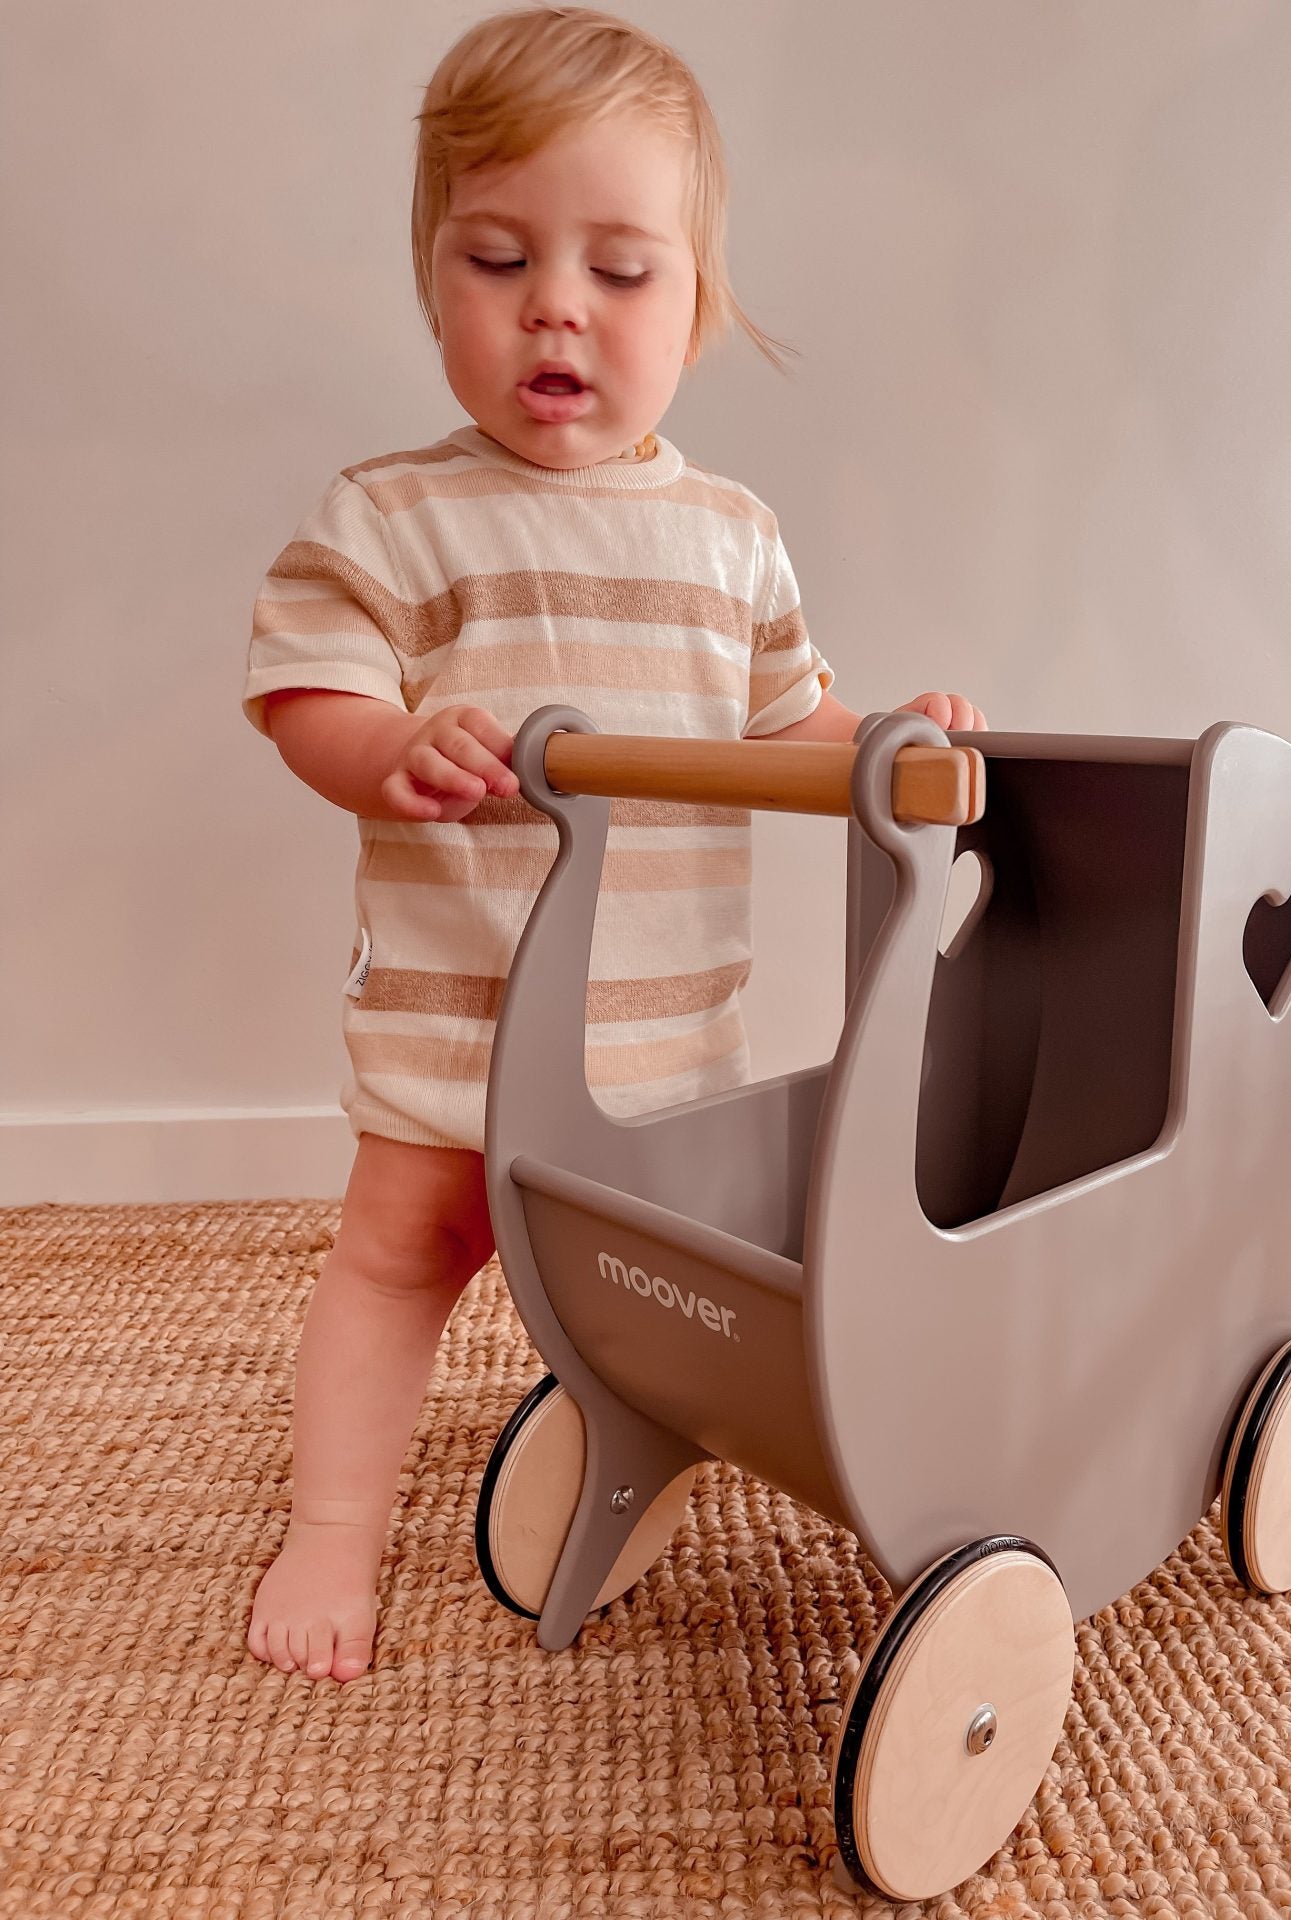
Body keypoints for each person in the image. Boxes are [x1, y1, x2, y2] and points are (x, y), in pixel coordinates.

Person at [241, 4, 988, 1684]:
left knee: (653, 1300)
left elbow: (789, 726)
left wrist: (893, 748)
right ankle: (332, 1532)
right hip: (457, 1022)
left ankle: (616, 1449)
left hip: (659, 1049)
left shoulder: (731, 541)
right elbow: (307, 696)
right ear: (432, 273)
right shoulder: (391, 514)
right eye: (496, 257)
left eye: (622, 272)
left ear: (700, 303)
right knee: (390, 1262)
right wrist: (389, 747)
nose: (555, 306)